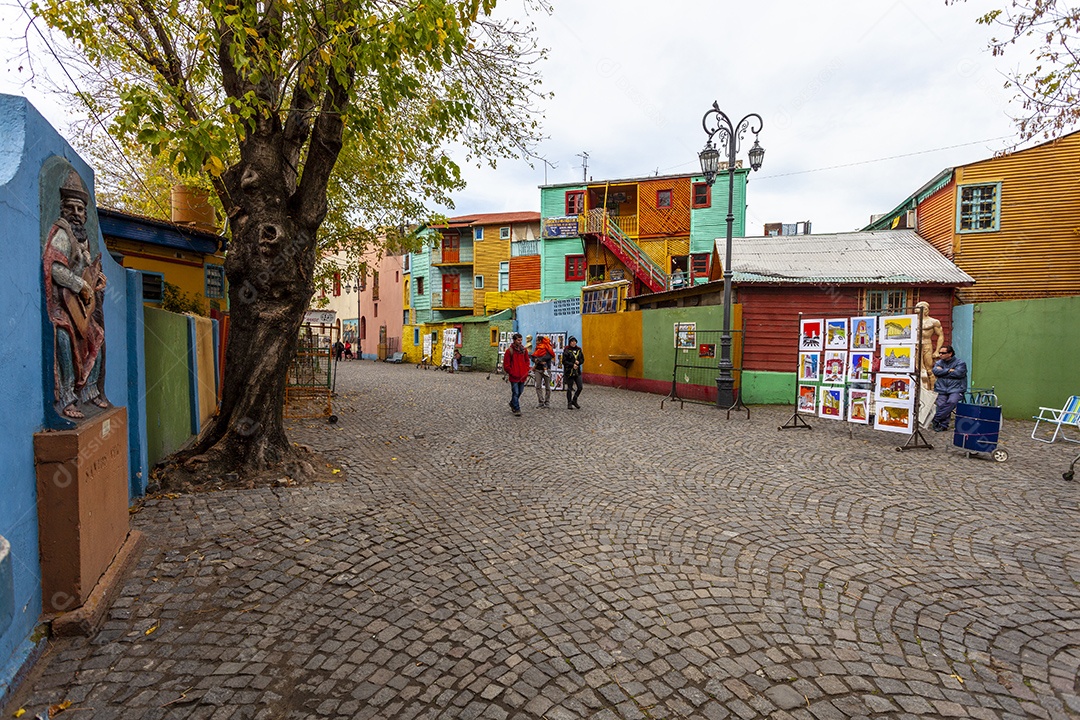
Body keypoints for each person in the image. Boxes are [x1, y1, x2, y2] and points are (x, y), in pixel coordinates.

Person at [43, 170, 108, 420]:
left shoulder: (84, 242)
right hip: (64, 305)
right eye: (72, 209)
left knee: (97, 337)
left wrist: (96, 282)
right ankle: (68, 396)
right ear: (63, 209)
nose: (77, 215)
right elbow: (56, 268)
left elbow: (89, 273)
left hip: (80, 308)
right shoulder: (62, 235)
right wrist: (79, 284)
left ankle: (90, 390)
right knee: (63, 337)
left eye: (81, 210)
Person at [931, 345, 967, 431]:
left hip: (956, 388)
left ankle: (936, 419)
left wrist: (942, 371)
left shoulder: (960, 363)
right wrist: (948, 370)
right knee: (941, 404)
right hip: (941, 388)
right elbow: (935, 371)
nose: (940, 355)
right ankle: (943, 425)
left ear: (950, 353)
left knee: (952, 402)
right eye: (940, 353)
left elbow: (958, 374)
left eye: (943, 353)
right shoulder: (939, 363)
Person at [915, 301, 944, 390]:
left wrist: (937, 351)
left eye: (920, 308)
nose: (917, 310)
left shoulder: (933, 322)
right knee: (917, 368)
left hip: (927, 344)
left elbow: (941, 335)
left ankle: (931, 389)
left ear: (926, 309)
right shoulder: (912, 321)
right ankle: (918, 388)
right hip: (915, 345)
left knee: (929, 368)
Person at [503, 332, 531, 416]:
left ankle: (512, 403)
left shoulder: (524, 350)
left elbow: (527, 361)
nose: (520, 342)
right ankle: (517, 408)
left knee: (520, 392)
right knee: (515, 392)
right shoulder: (509, 351)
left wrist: (526, 370)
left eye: (521, 340)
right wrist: (512, 372)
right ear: (514, 340)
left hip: (522, 375)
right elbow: (506, 364)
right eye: (518, 340)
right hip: (514, 376)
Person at [531, 335, 556, 408]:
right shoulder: (537, 349)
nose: (536, 342)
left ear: (540, 341)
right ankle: (541, 401)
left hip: (546, 369)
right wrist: (535, 360)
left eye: (537, 341)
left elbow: (549, 356)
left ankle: (547, 401)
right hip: (538, 369)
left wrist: (539, 360)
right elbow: (533, 357)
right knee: (538, 386)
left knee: (547, 386)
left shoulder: (547, 348)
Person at [562, 336, 584, 409]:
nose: (573, 343)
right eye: (572, 341)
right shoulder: (566, 350)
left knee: (580, 387)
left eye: (574, 341)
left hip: (577, 371)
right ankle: (569, 403)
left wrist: (579, 362)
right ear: (569, 342)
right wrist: (572, 365)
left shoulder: (579, 350)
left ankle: (574, 399)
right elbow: (564, 361)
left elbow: (582, 359)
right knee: (569, 388)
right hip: (569, 372)